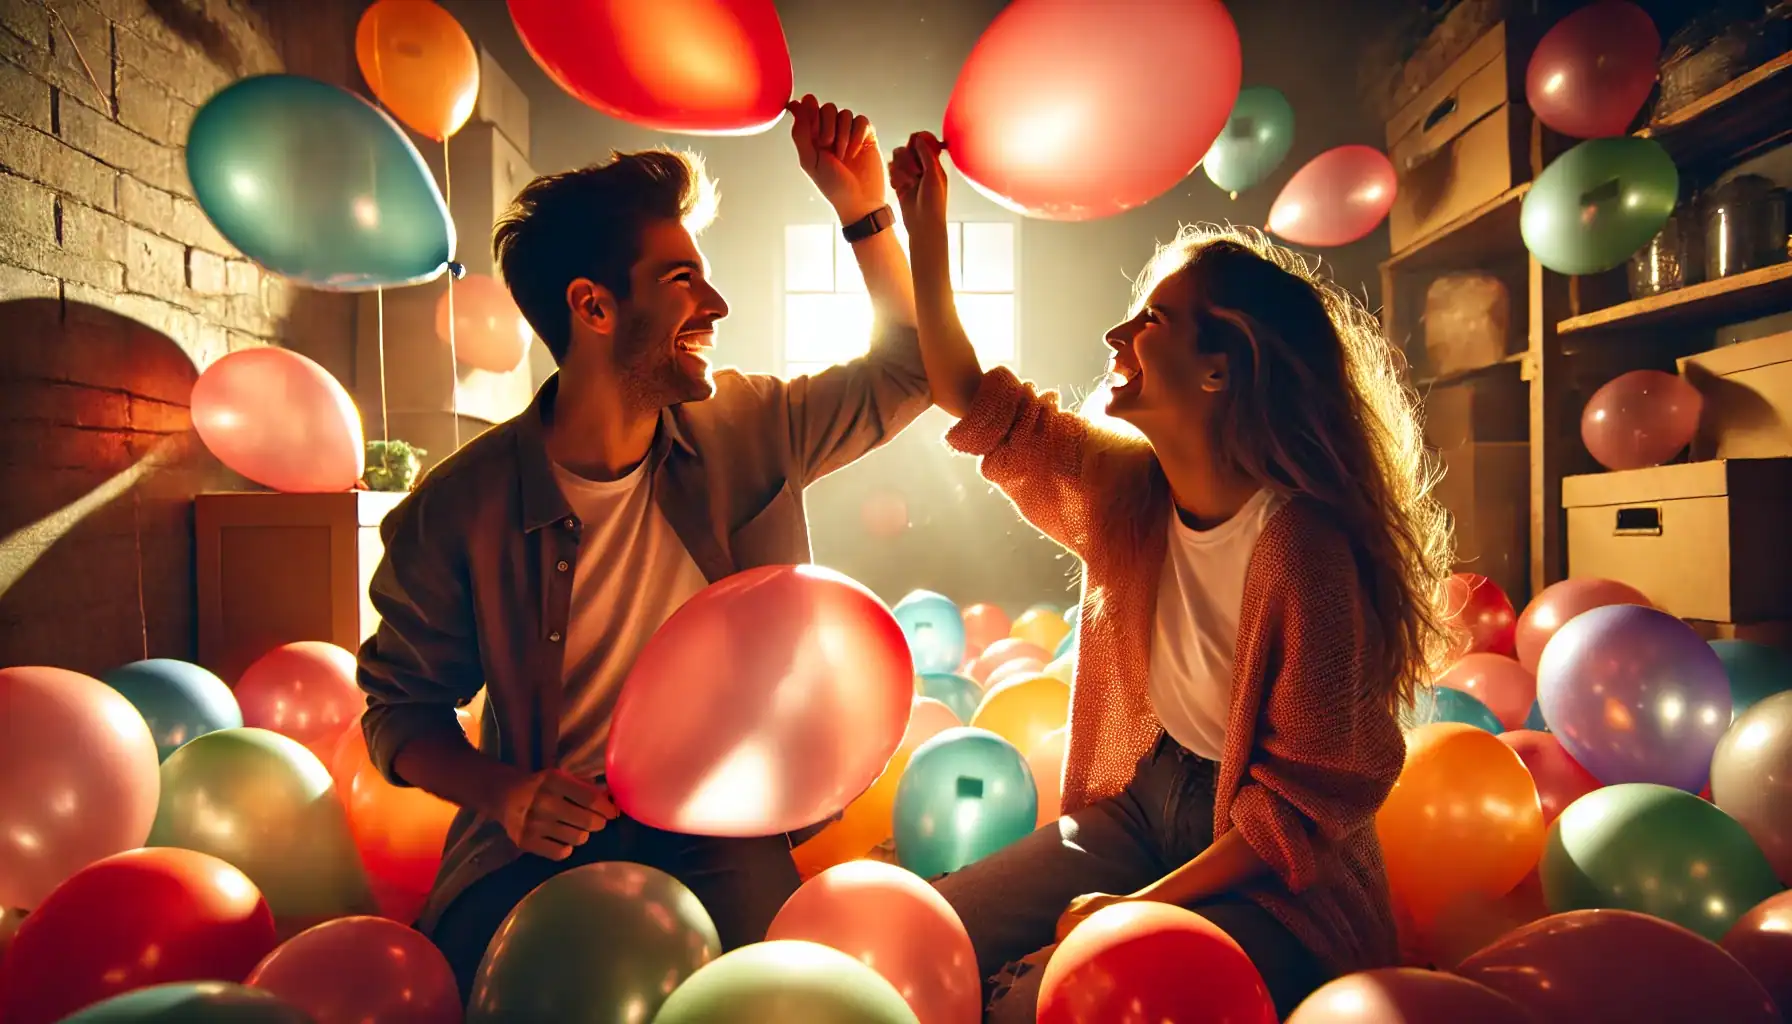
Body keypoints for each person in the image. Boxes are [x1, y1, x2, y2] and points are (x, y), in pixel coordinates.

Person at [357, 95, 930, 999]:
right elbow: (398, 710)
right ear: (592, 305)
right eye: (681, 282)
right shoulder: (454, 510)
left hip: (721, 816)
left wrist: (863, 211)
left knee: (763, 1001)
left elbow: (912, 367)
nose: (717, 302)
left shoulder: (750, 424)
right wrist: (506, 793)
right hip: (540, 831)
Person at [888, 132, 1452, 1020]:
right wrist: (922, 228)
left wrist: (1135, 912)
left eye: (1151, 320)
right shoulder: (1124, 491)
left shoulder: (1303, 547)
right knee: (935, 937)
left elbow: (1295, 814)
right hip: (1148, 802)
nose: (1118, 334)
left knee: (1047, 1003)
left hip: (1276, 878)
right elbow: (971, 397)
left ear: (1221, 367)